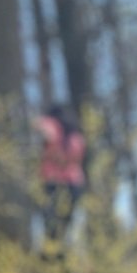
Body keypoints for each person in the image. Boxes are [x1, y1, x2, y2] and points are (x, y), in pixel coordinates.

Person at [36, 104, 86, 245]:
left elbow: (42, 129)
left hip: (53, 182)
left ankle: (53, 254)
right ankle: (63, 252)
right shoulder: (75, 135)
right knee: (66, 226)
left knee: (51, 226)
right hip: (74, 184)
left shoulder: (51, 124)